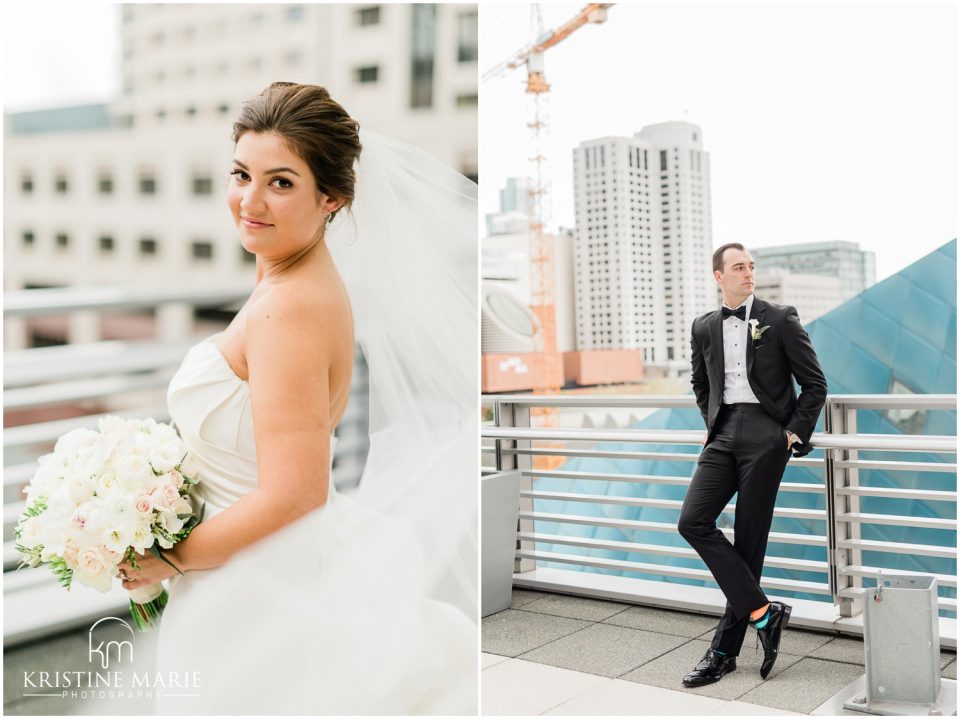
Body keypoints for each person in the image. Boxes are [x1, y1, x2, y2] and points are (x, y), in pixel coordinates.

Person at [117, 82, 478, 714]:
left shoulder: (289, 308)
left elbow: (293, 492)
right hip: (254, 570)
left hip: (259, 588)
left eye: (280, 182)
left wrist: (169, 558)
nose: (249, 201)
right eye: (241, 174)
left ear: (330, 197)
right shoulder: (292, 284)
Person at [678, 243, 826, 687]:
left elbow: (814, 384)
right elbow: (700, 381)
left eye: (751, 266)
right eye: (739, 267)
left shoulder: (780, 319)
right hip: (723, 435)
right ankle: (765, 612)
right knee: (692, 521)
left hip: (767, 436)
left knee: (749, 543)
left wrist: (791, 433)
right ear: (719, 276)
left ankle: (722, 653)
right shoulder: (703, 326)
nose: (748, 273)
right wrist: (711, 421)